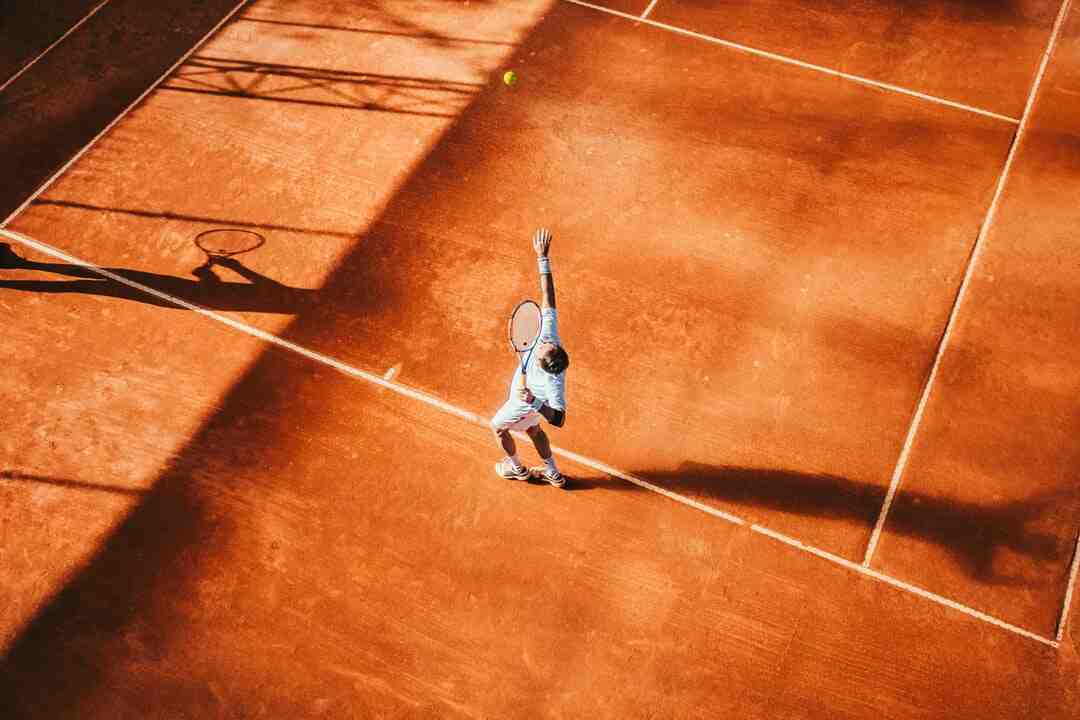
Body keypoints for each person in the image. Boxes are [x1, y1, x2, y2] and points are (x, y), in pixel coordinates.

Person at [490, 228, 570, 487]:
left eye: (542, 349)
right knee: (534, 429)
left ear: (543, 365)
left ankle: (517, 469)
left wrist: (534, 402)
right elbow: (549, 296)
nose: (542, 343)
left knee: (498, 427)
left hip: (527, 403)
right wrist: (542, 258)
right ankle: (553, 473)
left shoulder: (553, 383)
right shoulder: (550, 336)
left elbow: (558, 419)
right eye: (547, 343)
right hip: (534, 404)